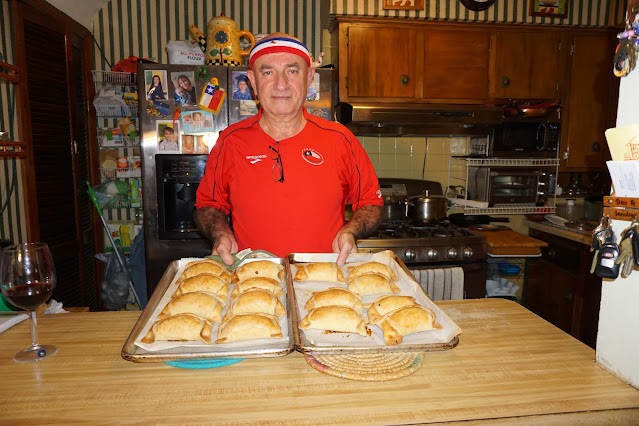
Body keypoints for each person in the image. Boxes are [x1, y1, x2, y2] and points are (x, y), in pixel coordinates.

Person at [194, 32, 383, 267]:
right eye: (268, 72)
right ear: (253, 82)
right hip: (255, 280)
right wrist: (221, 233)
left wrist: (351, 230)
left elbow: (370, 202)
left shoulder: (341, 139)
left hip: (322, 279)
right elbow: (208, 204)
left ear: (309, 77)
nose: (281, 84)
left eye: (292, 71)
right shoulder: (230, 141)